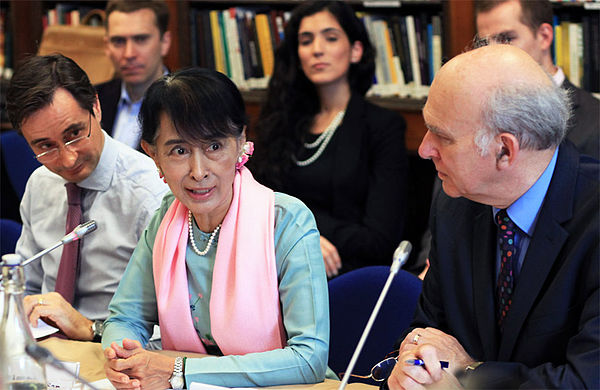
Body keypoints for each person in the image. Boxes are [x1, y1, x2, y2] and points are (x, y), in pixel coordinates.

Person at [101, 68, 334, 388]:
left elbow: (310, 359)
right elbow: (125, 319)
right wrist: (122, 357)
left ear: (240, 143)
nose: (198, 171)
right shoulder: (165, 221)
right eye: (179, 151)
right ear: (153, 155)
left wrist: (178, 372)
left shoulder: (286, 221)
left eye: (214, 147)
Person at [383, 44, 599, 389]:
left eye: (442, 135)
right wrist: (411, 368)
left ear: (504, 150)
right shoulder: (455, 205)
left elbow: (586, 381)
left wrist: (470, 373)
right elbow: (425, 335)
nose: (424, 149)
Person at [5, 54, 168, 341]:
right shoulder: (40, 184)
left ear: (96, 106)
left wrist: (92, 329)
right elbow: (25, 289)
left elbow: (172, 326)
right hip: (45, 350)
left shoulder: (152, 195)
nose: (67, 160)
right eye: (45, 146)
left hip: (114, 351)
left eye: (75, 133)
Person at [251, 1, 407, 278]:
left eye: (331, 38)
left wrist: (303, 229)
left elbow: (381, 239)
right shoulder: (280, 121)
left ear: (356, 51)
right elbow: (257, 203)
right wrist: (303, 238)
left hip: (350, 274)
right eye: (306, 40)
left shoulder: (383, 127)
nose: (317, 49)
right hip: (279, 264)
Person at [476, 0, 599, 160]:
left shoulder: (595, 121)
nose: (491, 52)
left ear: (544, 36)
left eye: (506, 39)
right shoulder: (474, 113)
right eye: (484, 43)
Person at [96, 0, 171, 150]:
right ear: (107, 47)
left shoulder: (190, 104)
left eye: (141, 39)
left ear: (164, 42)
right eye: (118, 41)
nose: (129, 54)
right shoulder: (91, 100)